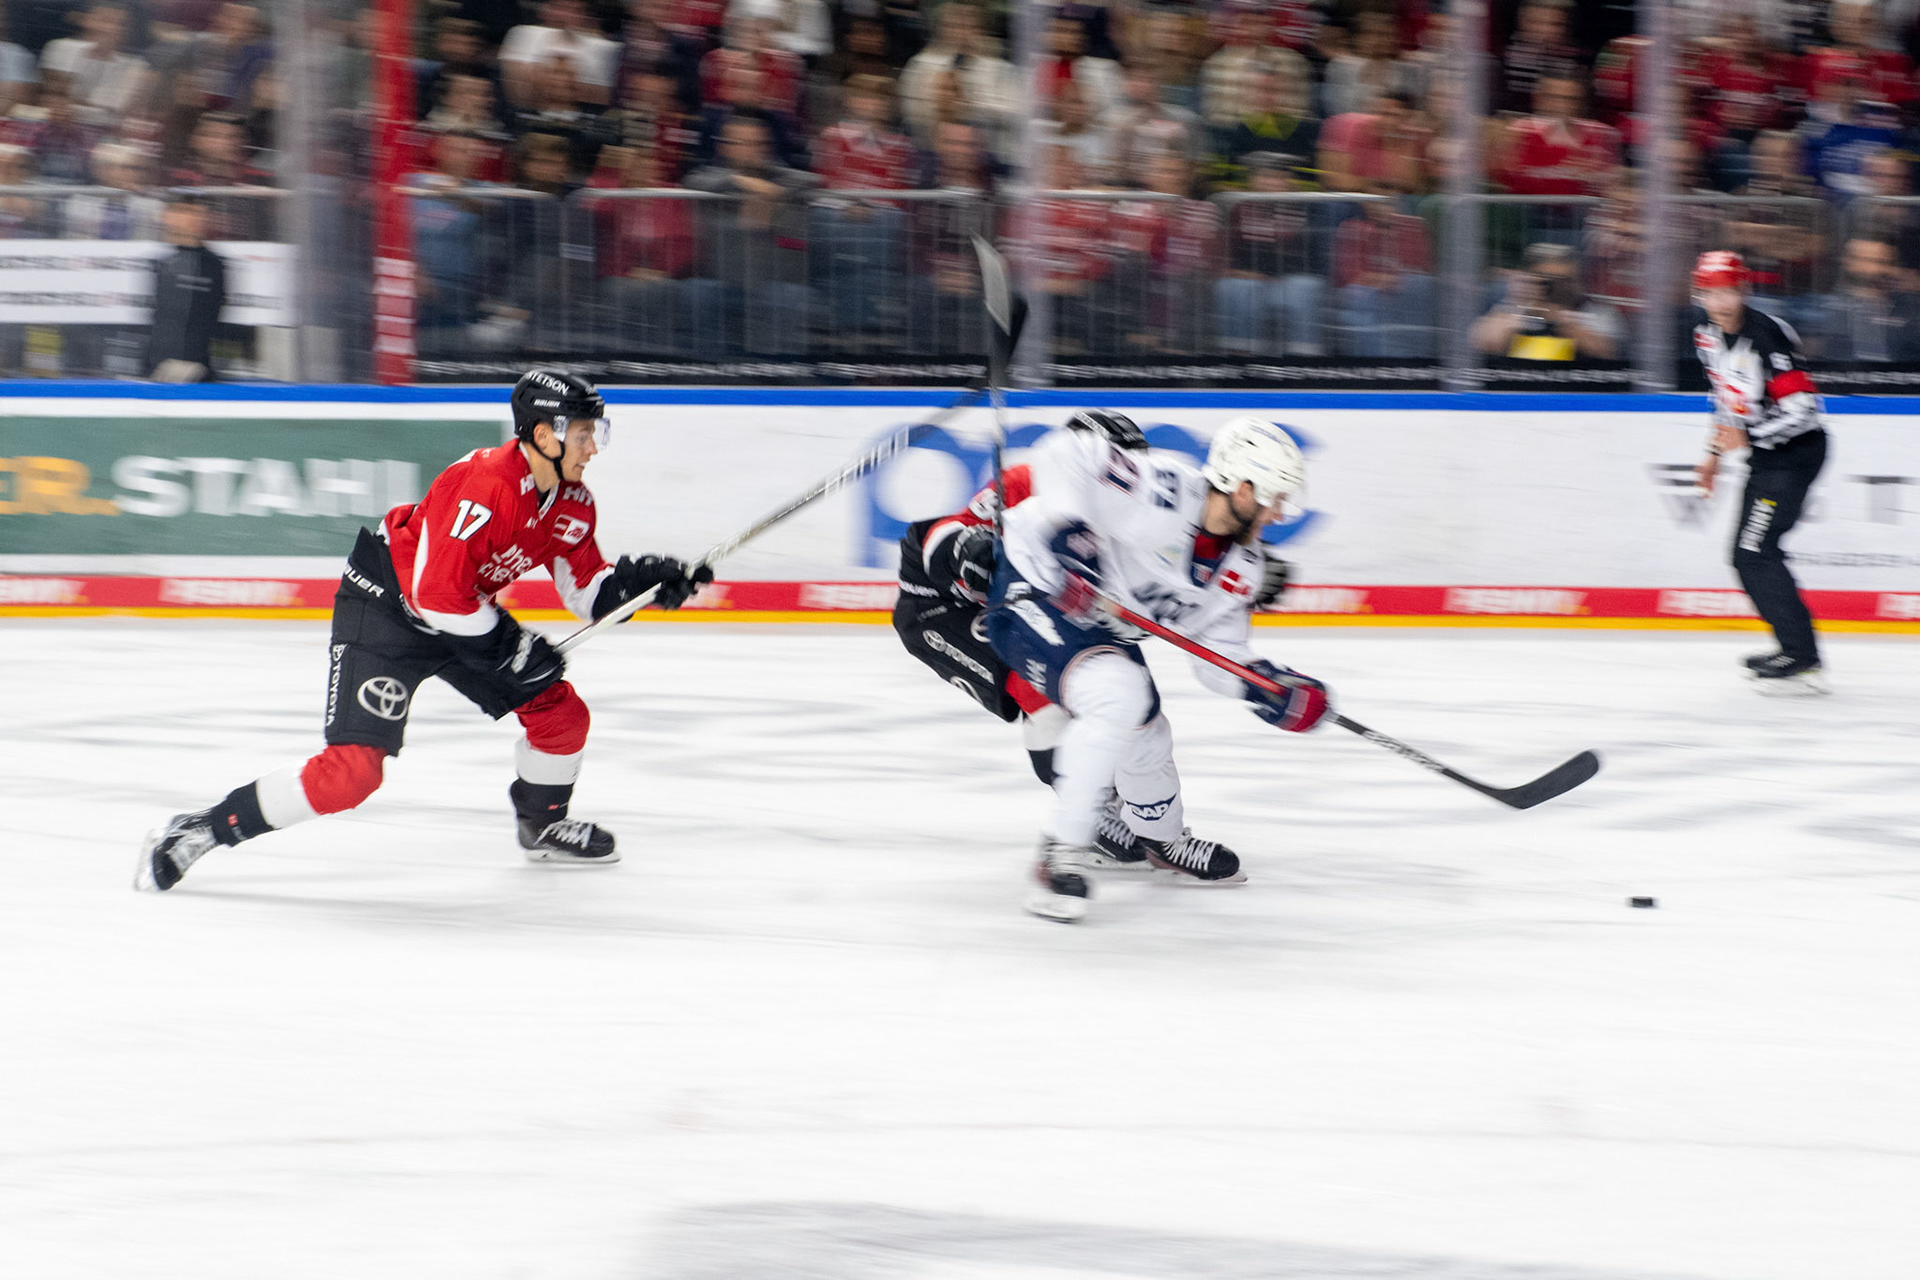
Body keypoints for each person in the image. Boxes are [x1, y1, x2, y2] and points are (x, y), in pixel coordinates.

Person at [136, 370, 713, 892]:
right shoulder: (484, 485)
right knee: (352, 773)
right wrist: (511, 648)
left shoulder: (573, 504)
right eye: (584, 434)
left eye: (596, 433)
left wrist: (644, 585)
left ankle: (542, 826)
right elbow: (433, 595)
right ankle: (204, 829)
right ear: (543, 435)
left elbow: (587, 592)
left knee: (562, 717)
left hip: (460, 616)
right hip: (386, 606)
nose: (593, 447)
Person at [985, 415, 1331, 922]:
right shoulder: (1164, 490)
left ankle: (1163, 843)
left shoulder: (1243, 569)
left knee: (1147, 732)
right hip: (1033, 584)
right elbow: (1063, 452)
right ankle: (1061, 853)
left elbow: (1217, 659)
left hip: (1098, 622)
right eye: (1275, 498)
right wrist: (1072, 538)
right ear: (1243, 486)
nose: (1279, 513)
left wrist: (1269, 686)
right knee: (1117, 693)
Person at [1690, 252, 1831, 693]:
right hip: (1766, 456)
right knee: (1748, 554)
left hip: (1796, 455)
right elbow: (1726, 399)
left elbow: (1804, 411)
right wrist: (1713, 454)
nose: (1720, 301)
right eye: (1710, 292)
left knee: (1755, 552)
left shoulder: (1769, 335)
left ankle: (1801, 654)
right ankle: (1794, 648)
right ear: (1699, 294)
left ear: (1743, 289)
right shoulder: (1706, 337)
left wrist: (1745, 438)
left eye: (1728, 290)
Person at [147, 195, 226, 382]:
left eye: (198, 214)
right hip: (159, 366)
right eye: (185, 213)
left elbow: (216, 317)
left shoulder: (214, 265)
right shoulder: (161, 261)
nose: (193, 219)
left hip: (197, 366)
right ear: (169, 217)